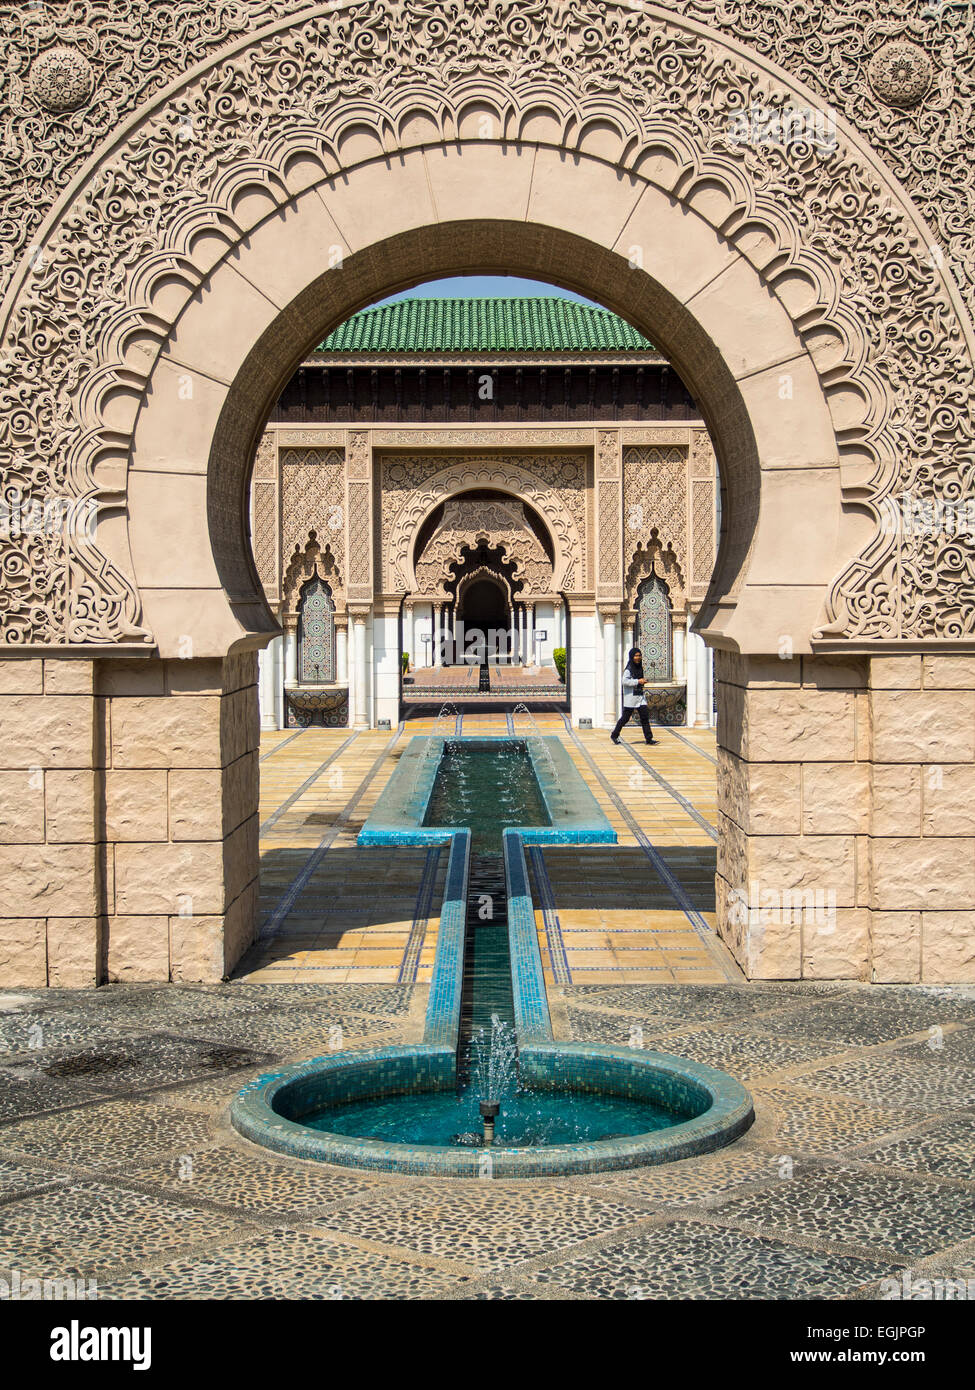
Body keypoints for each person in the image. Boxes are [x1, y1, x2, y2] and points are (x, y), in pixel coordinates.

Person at [611, 647, 658, 745]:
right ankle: (614, 735)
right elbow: (624, 681)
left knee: (644, 717)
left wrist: (642, 681)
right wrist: (638, 681)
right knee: (625, 718)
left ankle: (649, 738)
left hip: (640, 696)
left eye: (639, 655)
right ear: (632, 657)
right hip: (631, 698)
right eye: (636, 656)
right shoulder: (629, 669)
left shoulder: (640, 667)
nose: (638, 657)